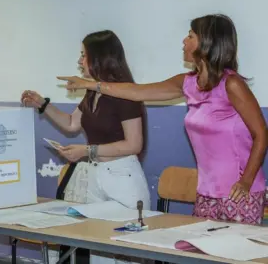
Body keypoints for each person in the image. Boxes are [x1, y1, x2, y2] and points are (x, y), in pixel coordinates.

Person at [58, 14, 267, 225]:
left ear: (207, 42)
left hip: (239, 193)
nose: (184, 41)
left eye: (190, 36)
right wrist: (90, 84)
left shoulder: (231, 84)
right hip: (206, 192)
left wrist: (246, 181)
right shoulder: (187, 82)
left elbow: (261, 133)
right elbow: (137, 92)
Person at [22, 30, 151, 264]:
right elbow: (72, 124)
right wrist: (42, 104)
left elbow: (134, 144)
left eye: (84, 55)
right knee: (93, 253)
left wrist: (87, 151)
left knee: (122, 256)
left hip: (123, 178)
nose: (80, 62)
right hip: (95, 176)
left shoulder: (126, 93)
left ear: (100, 58)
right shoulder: (92, 93)